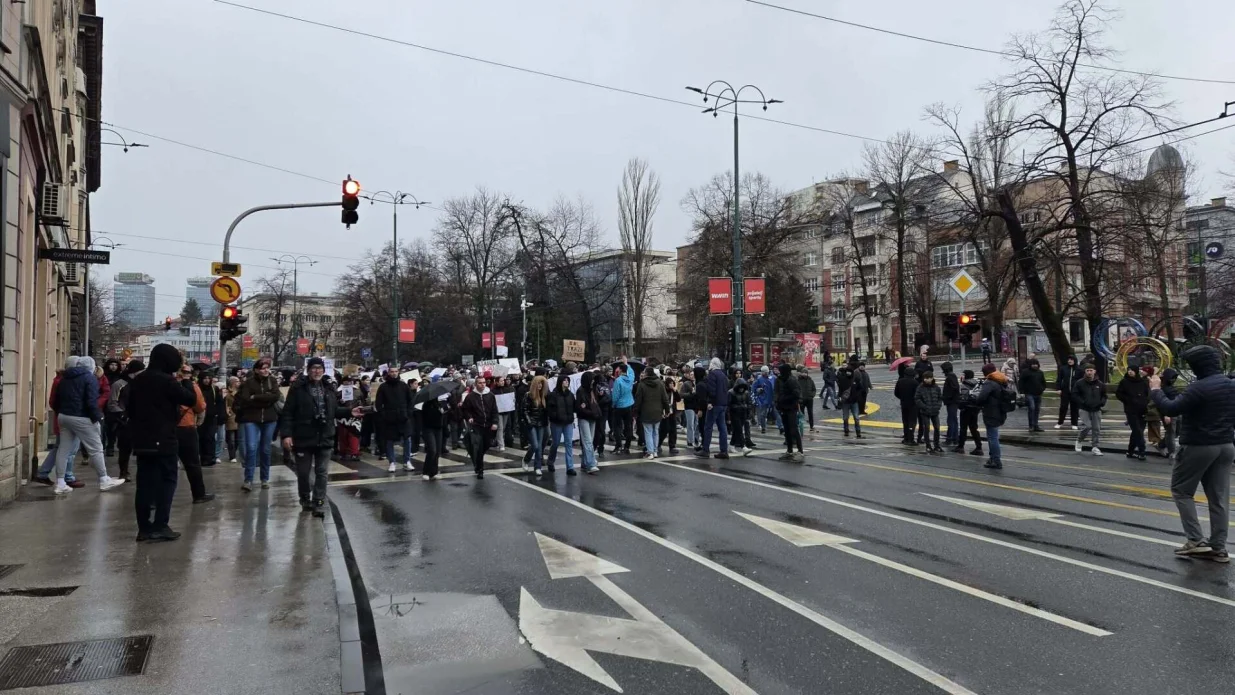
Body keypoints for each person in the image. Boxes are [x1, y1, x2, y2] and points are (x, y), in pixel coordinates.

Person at [1149, 345, 1235, 563]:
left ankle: (1195, 540)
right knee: (1219, 498)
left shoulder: (1199, 388)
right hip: (1226, 445)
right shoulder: (1230, 385)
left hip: (1198, 445)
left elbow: (1170, 408)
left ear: (1197, 366)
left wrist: (1156, 390)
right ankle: (1218, 547)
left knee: (1181, 490)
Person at [127, 345, 200, 542]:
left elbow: (129, 407)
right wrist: (186, 380)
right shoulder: (167, 381)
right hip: (164, 438)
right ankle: (160, 524)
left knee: (144, 485)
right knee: (167, 480)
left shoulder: (139, 379)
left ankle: (143, 528)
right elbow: (190, 399)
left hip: (142, 440)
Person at [281, 357, 363, 516]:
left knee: (322, 472)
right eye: (314, 368)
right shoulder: (298, 388)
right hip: (303, 436)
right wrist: (286, 435)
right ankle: (305, 498)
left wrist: (349, 411)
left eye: (319, 368)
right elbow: (287, 413)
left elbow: (333, 410)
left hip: (324, 435)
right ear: (308, 370)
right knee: (303, 473)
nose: (317, 371)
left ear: (324, 371)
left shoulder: (328, 388)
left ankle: (319, 501)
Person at [51, 356, 125, 494]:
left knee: (63, 449)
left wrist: (61, 413)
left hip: (64, 416)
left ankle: (60, 482)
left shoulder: (64, 378)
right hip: (82, 417)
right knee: (96, 448)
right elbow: (92, 401)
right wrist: (97, 417)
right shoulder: (89, 379)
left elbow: (56, 401)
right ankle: (104, 479)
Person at [235, 359, 283, 490]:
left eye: (267, 367)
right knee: (251, 448)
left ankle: (264, 479)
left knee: (265, 449)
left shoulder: (272, 381)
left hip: (269, 419)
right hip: (252, 419)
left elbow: (275, 396)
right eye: (263, 368)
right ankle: (248, 479)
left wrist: (255, 397)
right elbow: (245, 399)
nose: (266, 370)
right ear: (256, 370)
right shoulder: (248, 383)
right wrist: (265, 397)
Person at [174, 363, 213, 501]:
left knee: (163, 465)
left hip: (166, 428)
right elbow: (200, 406)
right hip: (186, 425)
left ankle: (155, 500)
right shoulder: (192, 386)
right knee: (192, 463)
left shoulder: (165, 383)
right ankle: (198, 494)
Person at [974, 363, 1014, 469]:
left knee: (992, 438)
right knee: (993, 436)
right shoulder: (1001, 380)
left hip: (991, 413)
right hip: (1000, 412)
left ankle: (996, 460)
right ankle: (993, 458)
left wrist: (976, 400)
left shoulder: (990, 383)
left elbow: (981, 398)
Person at [374, 368, 414, 473]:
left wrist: (408, 413)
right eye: (392, 371)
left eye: (396, 371)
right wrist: (384, 415)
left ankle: (407, 461)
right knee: (389, 441)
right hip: (390, 418)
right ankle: (392, 462)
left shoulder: (403, 385)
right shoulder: (383, 387)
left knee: (407, 439)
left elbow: (410, 400)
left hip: (403, 417)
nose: (394, 373)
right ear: (388, 373)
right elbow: (378, 403)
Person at [460, 377, 499, 478]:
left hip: (488, 425)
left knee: (486, 445)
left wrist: (495, 422)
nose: (482, 384)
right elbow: (465, 409)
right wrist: (469, 417)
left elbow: (494, 410)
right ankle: (480, 469)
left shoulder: (490, 395)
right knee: (478, 447)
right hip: (477, 425)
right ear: (476, 384)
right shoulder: (471, 396)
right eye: (480, 383)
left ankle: (477, 462)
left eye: (484, 383)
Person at [1115, 363, 1150, 461]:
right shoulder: (1124, 382)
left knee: (1138, 431)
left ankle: (1130, 451)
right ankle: (1142, 451)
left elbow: (1147, 394)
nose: (1130, 372)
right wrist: (1128, 400)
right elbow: (1118, 394)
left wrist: (1145, 401)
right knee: (1137, 431)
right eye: (1128, 370)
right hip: (1131, 410)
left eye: (1132, 370)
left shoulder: (1142, 382)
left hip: (1142, 409)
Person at [633, 367, 670, 460]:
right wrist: (667, 410)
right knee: (655, 431)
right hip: (658, 411)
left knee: (648, 432)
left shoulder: (642, 384)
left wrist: (635, 412)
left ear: (646, 374)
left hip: (646, 411)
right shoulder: (660, 383)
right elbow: (665, 398)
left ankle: (650, 452)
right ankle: (655, 450)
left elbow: (638, 400)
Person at [698, 357, 731, 459]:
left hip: (714, 404)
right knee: (722, 427)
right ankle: (724, 450)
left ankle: (706, 449)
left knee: (708, 427)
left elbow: (712, 390)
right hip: (723, 404)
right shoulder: (723, 375)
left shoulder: (712, 375)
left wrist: (710, 402)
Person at [1072, 361, 1106, 455]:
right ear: (1085, 372)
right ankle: (1079, 440)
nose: (1089, 372)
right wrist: (1082, 402)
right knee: (1087, 426)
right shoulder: (1080, 383)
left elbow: (1104, 395)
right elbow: (1075, 395)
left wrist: (1102, 402)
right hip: (1084, 408)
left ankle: (1095, 447)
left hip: (1096, 408)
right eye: (1087, 370)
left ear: (1094, 371)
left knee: (1096, 428)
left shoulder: (1100, 384)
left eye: (1091, 370)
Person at [545, 375, 577, 475]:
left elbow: (574, 407)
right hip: (557, 423)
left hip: (568, 422)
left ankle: (570, 467)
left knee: (568, 443)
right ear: (560, 382)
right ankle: (550, 461)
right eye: (565, 380)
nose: (567, 382)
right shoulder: (553, 395)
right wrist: (555, 416)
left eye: (568, 380)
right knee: (556, 443)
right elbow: (549, 409)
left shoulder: (570, 395)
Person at [774, 363, 803, 461]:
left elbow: (796, 394)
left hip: (791, 407)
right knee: (787, 430)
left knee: (793, 429)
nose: (779, 372)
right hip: (783, 407)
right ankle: (789, 450)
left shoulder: (792, 380)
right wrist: (777, 402)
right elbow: (777, 392)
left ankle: (800, 451)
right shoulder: (779, 380)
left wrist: (784, 399)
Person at [574, 372, 603, 473]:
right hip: (584, 418)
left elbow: (590, 404)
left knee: (589, 441)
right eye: (592, 379)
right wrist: (590, 411)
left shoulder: (593, 390)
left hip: (592, 417)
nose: (593, 381)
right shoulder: (580, 391)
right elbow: (579, 407)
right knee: (588, 442)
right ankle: (590, 464)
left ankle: (585, 462)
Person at [197, 373, 226, 466]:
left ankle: (210, 458)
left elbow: (219, 403)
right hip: (199, 417)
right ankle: (202, 458)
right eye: (204, 378)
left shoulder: (214, 389)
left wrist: (219, 415)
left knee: (210, 438)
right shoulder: (198, 389)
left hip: (211, 418)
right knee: (200, 438)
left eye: (208, 378)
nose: (206, 380)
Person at [523, 375, 550, 476]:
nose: (540, 385)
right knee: (535, 445)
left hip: (542, 423)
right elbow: (524, 410)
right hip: (532, 423)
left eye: (542, 384)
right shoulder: (528, 395)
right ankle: (526, 459)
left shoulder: (545, 396)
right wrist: (529, 422)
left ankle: (537, 466)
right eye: (538, 383)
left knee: (539, 446)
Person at [419, 387, 446, 481]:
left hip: (438, 429)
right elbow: (427, 418)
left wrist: (443, 411)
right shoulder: (426, 405)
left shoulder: (438, 404)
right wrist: (438, 412)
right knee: (432, 450)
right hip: (428, 429)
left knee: (437, 451)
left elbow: (441, 416)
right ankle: (426, 472)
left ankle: (434, 471)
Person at [954, 369, 983, 455]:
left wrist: (960, 405)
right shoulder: (977, 384)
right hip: (975, 409)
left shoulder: (964, 385)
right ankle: (979, 447)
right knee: (974, 428)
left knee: (963, 428)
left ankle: (960, 446)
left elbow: (963, 397)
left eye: (963, 374)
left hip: (966, 409)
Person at [610, 359, 635, 454]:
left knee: (617, 426)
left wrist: (613, 404)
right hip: (629, 404)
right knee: (628, 426)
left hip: (619, 406)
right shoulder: (630, 378)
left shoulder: (618, 380)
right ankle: (627, 446)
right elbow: (632, 372)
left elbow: (615, 395)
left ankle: (618, 445)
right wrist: (627, 364)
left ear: (620, 370)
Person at [915, 370, 943, 453]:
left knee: (937, 428)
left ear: (932, 378)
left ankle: (937, 445)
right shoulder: (920, 387)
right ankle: (928, 445)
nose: (927, 380)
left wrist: (938, 406)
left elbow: (940, 398)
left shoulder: (936, 387)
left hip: (935, 411)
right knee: (926, 428)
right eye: (925, 378)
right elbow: (917, 398)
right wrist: (924, 407)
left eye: (929, 378)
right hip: (925, 412)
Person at [102, 358, 124, 456]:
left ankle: (111, 445)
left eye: (115, 365)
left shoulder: (120, 377)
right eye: (111, 364)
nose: (113, 367)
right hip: (104, 404)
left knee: (114, 427)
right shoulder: (103, 376)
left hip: (116, 405)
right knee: (106, 427)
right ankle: (107, 445)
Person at [894, 362, 919, 446]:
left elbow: (896, 393)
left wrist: (902, 398)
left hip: (903, 403)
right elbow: (918, 394)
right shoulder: (915, 383)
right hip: (913, 405)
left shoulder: (900, 381)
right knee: (912, 421)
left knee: (905, 421)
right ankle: (911, 438)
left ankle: (906, 438)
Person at [1019, 357, 1047, 433]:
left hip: (1038, 394)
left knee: (1037, 410)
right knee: (1032, 408)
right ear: (1030, 365)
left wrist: (1042, 389)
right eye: (1033, 364)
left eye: (1036, 364)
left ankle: (1036, 425)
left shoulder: (1040, 372)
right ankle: (1031, 425)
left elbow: (1043, 382)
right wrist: (1022, 392)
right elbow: (1021, 382)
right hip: (1029, 393)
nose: (1035, 366)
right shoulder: (1025, 372)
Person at [836, 361, 863, 439]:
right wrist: (839, 399)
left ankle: (858, 432)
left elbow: (860, 388)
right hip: (846, 402)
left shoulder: (856, 379)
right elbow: (840, 390)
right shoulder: (843, 379)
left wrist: (857, 396)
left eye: (849, 372)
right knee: (845, 417)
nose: (848, 373)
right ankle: (846, 430)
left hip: (854, 401)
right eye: (847, 372)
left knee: (856, 417)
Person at [729, 377, 754, 455]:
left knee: (737, 430)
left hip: (743, 414)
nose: (741, 389)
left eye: (743, 388)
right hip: (734, 414)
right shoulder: (731, 393)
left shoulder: (746, 393)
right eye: (740, 388)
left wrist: (749, 414)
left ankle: (732, 444)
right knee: (739, 430)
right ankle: (743, 447)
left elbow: (749, 403)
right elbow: (728, 405)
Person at [659, 376, 682, 456]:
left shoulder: (673, 392)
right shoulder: (664, 390)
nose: (672, 384)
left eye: (673, 383)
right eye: (670, 383)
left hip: (672, 412)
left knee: (673, 430)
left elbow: (679, 399)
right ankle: (658, 444)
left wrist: (675, 391)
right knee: (664, 429)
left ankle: (672, 446)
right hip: (665, 412)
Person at [941, 361, 960, 447]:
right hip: (953, 401)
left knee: (951, 420)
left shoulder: (950, 376)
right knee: (953, 420)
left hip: (952, 401)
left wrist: (945, 397)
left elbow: (953, 388)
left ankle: (950, 438)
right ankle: (955, 438)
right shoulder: (952, 375)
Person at [681, 370, 700, 447]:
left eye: (694, 374)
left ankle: (696, 439)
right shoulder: (686, 384)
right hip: (689, 406)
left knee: (696, 424)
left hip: (697, 406)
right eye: (691, 375)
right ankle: (690, 440)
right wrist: (690, 393)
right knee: (690, 424)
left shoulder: (698, 383)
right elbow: (681, 394)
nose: (692, 376)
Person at [752, 366, 774, 434]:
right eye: (763, 372)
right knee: (762, 414)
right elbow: (754, 388)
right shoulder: (759, 379)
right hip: (763, 399)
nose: (764, 373)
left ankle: (781, 427)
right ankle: (763, 427)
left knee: (776, 413)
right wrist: (758, 390)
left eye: (765, 372)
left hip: (772, 399)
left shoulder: (773, 378)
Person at [224, 376, 240, 463]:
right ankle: (232, 456)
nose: (239, 382)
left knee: (237, 439)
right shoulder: (227, 393)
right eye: (237, 381)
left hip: (238, 416)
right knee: (231, 439)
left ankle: (233, 453)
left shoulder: (240, 392)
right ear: (232, 382)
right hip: (230, 416)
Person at [796, 366, 817, 432]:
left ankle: (811, 426)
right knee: (801, 413)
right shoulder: (798, 380)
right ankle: (801, 426)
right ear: (801, 373)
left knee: (810, 413)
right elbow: (797, 389)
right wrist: (799, 397)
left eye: (806, 373)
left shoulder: (810, 380)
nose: (805, 374)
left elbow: (814, 389)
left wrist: (812, 395)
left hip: (809, 399)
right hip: (801, 400)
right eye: (803, 373)